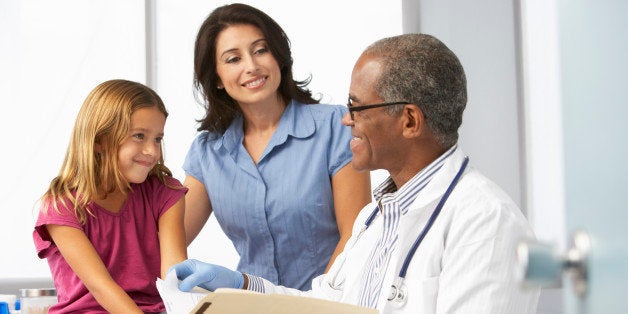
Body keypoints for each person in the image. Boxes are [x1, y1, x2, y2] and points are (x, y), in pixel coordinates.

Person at [171, 33, 541, 313]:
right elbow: (325, 304)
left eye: (358, 107)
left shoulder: (485, 221)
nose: (346, 120)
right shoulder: (374, 217)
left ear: (409, 120)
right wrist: (242, 286)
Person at [182, 3, 372, 290]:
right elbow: (169, 240)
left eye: (261, 50)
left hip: (328, 304)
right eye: (233, 59)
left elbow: (355, 237)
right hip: (250, 304)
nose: (252, 66)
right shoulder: (208, 152)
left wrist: (315, 307)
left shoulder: (335, 127)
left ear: (279, 56)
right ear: (217, 78)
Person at [32, 79, 188, 313]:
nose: (152, 151)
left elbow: (174, 277)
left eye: (157, 139)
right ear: (99, 141)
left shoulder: (166, 193)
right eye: (139, 136)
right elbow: (101, 286)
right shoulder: (62, 206)